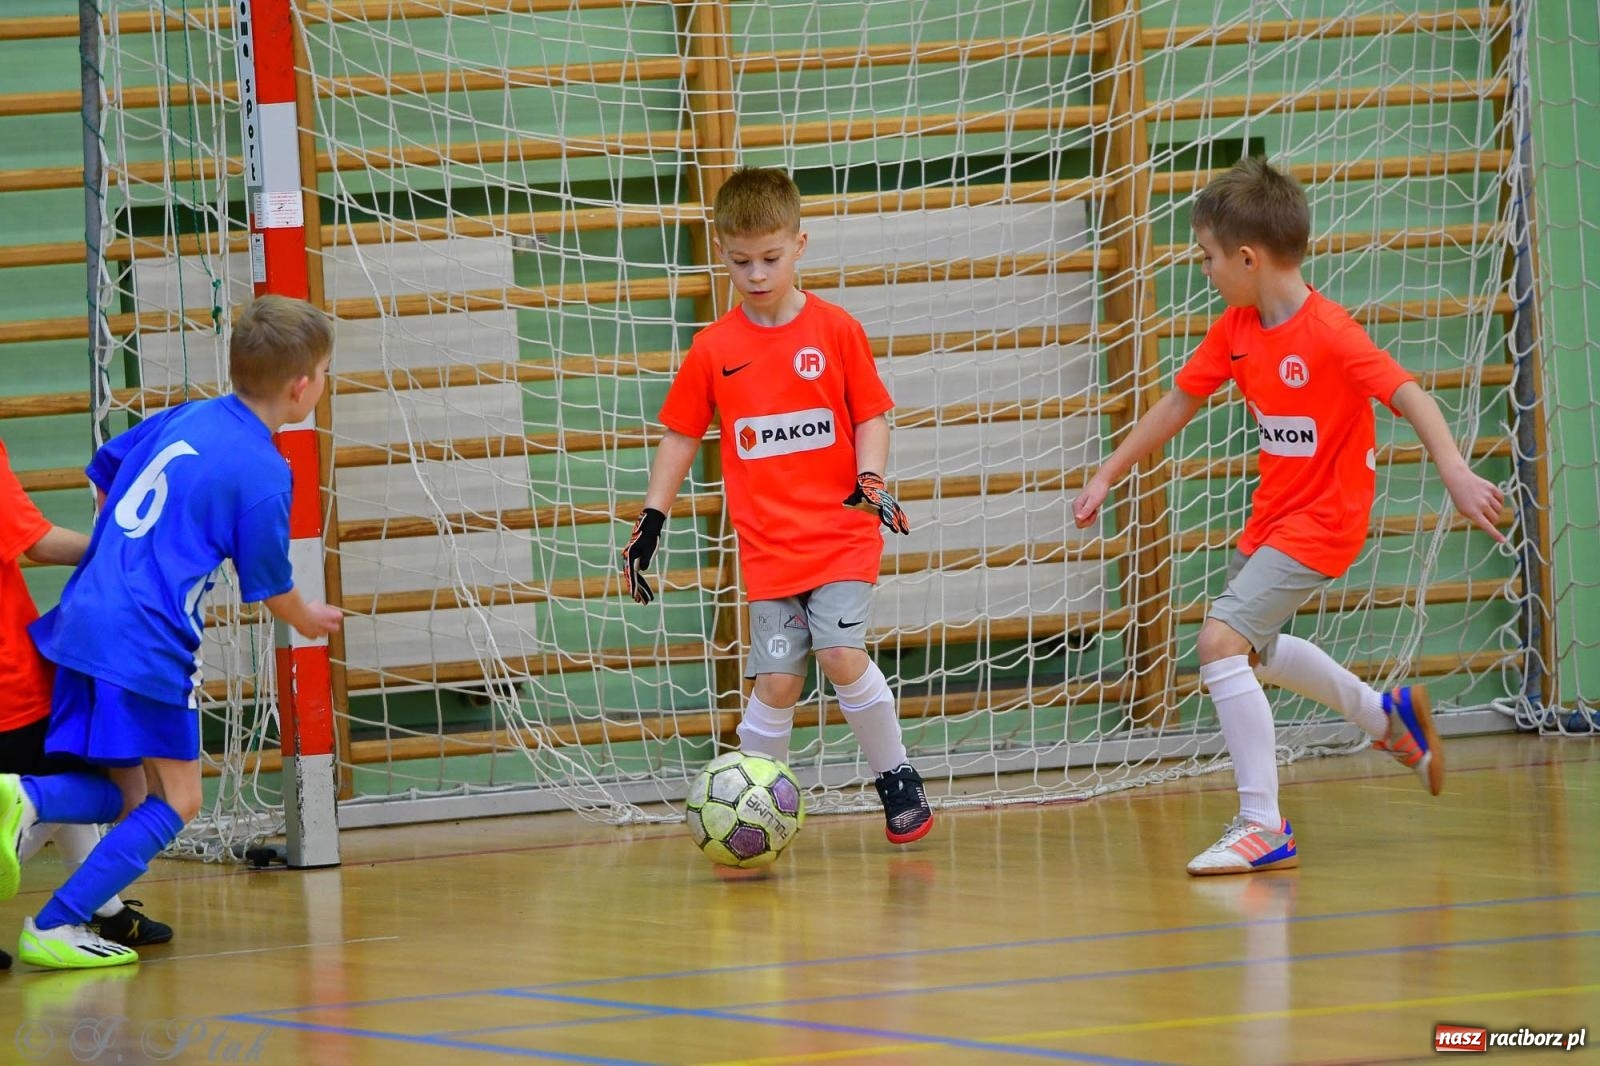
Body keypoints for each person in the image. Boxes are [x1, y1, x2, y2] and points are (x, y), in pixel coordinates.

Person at [1072, 157, 1505, 876]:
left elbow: (1411, 395)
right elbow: (1178, 402)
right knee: (1253, 653)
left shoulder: (1330, 332)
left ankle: (1262, 824)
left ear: (1248, 258)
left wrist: (1455, 471)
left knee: (1219, 643)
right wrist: (1107, 472)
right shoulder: (1237, 329)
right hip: (1272, 519)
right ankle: (1387, 719)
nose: (1204, 269)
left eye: (1207, 257)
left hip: (1324, 522)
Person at [0, 295, 344, 968]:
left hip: (82, 614)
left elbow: (106, 466)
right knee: (180, 800)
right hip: (146, 638)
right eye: (327, 372)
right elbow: (270, 585)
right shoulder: (264, 472)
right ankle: (52, 911)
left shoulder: (187, 415)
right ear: (302, 386)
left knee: (131, 794)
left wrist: (127, 548)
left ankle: (33, 812)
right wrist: (309, 618)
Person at [621, 166, 934, 845]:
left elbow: (871, 416)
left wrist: (871, 478)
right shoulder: (713, 349)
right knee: (777, 685)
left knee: (840, 652)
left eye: (770, 257)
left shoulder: (835, 330)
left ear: (799, 245)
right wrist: (652, 520)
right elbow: (680, 436)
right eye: (741, 262)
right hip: (768, 549)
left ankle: (896, 775)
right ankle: (751, 809)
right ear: (721, 252)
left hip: (841, 533)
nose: (757, 273)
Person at [0, 441, 176, 972]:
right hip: (10, 683)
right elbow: (38, 543)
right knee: (109, 793)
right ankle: (84, 909)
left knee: (72, 775)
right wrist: (125, 548)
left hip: (22, 676)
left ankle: (103, 906)